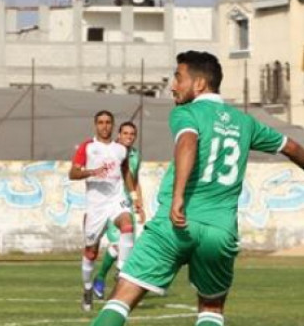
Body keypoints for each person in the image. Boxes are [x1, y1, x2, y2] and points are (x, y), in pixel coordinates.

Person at [89, 51, 304, 326]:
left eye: (178, 77)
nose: (172, 85)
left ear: (199, 84)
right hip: (219, 231)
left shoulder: (186, 112)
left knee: (122, 297)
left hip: (175, 225)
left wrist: (179, 196)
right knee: (211, 309)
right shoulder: (245, 122)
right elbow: (294, 148)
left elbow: (188, 142)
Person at [69, 111, 141, 312]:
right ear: (95, 125)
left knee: (127, 224)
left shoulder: (120, 149)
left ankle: (121, 270)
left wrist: (134, 197)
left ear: (112, 125)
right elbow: (72, 173)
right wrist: (91, 171)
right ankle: (87, 288)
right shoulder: (88, 147)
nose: (105, 126)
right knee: (91, 251)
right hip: (95, 205)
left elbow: (126, 170)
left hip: (116, 199)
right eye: (101, 122)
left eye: (108, 122)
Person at [92, 121, 146, 300]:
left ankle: (101, 278)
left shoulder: (136, 155)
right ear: (119, 135)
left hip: (127, 203)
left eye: (132, 134)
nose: (129, 137)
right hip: (112, 204)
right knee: (119, 243)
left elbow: (135, 180)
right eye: (126, 133)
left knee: (121, 246)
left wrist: (139, 204)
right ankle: (118, 282)